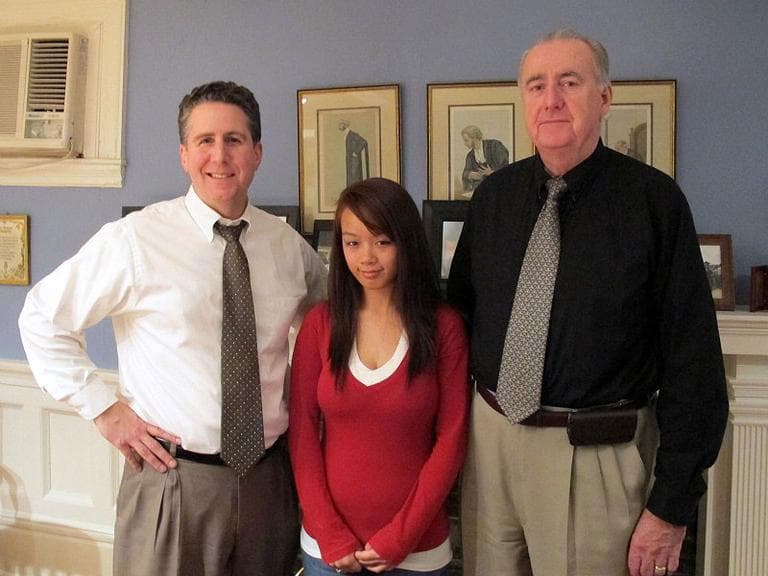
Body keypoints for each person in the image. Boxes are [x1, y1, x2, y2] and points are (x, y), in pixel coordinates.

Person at [448, 29, 728, 576]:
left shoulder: (654, 203)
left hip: (596, 459)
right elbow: (457, 322)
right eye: (536, 85)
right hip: (491, 449)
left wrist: (670, 505)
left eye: (569, 82)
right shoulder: (492, 199)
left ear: (604, 98)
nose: (550, 99)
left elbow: (694, 364)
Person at [18, 81, 327, 575]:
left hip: (270, 482)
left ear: (258, 152)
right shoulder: (135, 240)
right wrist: (104, 410)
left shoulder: (287, 248)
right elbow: (41, 318)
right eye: (205, 140)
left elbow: (335, 322)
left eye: (234, 139)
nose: (219, 155)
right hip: (174, 481)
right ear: (184, 155)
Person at [289, 177, 469, 575]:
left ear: (406, 243)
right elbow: (302, 433)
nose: (367, 257)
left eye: (382, 241)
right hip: (328, 551)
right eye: (353, 243)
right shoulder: (320, 324)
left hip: (417, 551)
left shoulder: (444, 328)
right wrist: (329, 532)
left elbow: (452, 438)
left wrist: (399, 538)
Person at [460, 125, 509, 195]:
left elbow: (507, 165)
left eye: (466, 140)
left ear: (474, 138)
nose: (464, 143)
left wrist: (493, 172)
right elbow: (465, 172)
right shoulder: (470, 156)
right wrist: (469, 175)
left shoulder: (494, 145)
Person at [339, 119, 370, 186]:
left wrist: (356, 152)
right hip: (350, 162)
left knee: (355, 180)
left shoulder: (352, 134)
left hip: (354, 162)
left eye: (341, 124)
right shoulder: (346, 135)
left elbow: (363, 141)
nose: (339, 125)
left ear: (345, 125)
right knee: (351, 180)